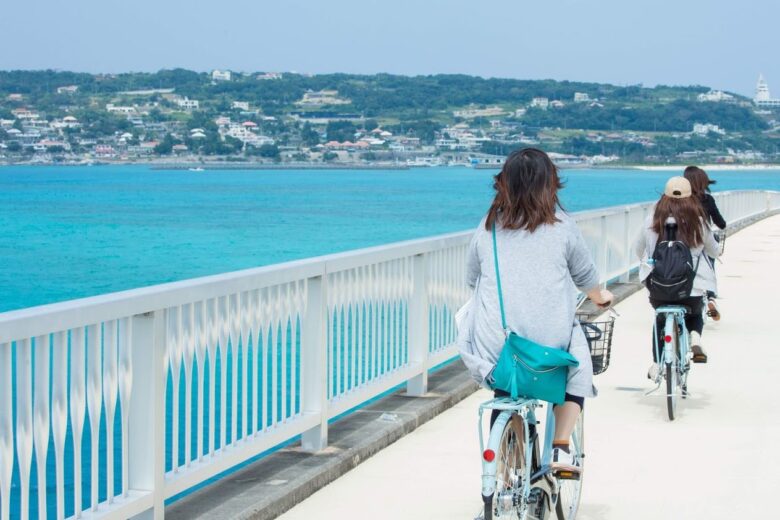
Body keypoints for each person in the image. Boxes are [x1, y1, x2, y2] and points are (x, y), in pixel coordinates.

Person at [457, 148, 612, 476]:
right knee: (576, 367)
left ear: (504, 185)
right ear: (550, 185)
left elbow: (471, 279)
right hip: (548, 348)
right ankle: (561, 447)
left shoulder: (488, 230)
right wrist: (601, 297)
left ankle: (505, 474)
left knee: (507, 384)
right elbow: (587, 280)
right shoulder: (563, 228)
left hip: (499, 348)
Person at [634, 176, 719, 377]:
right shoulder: (698, 221)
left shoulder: (652, 220)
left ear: (664, 196)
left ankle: (656, 363)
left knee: (660, 319)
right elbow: (714, 251)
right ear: (691, 198)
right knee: (695, 313)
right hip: (692, 287)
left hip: (658, 286)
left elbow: (638, 249)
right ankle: (695, 337)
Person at [684, 165, 725, 320]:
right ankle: (710, 298)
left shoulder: (682, 200)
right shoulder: (707, 200)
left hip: (683, 243)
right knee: (708, 268)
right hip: (704, 241)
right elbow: (721, 223)